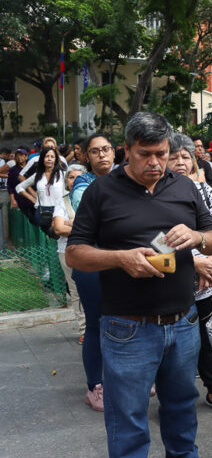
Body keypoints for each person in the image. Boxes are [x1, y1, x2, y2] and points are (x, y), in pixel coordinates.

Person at [67, 112, 212, 457]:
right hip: (127, 327)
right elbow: (75, 254)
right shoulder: (101, 191)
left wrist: (197, 236)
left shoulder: (185, 186)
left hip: (183, 323)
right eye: (144, 154)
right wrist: (121, 258)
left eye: (162, 153)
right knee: (128, 422)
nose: (155, 163)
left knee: (182, 412)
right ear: (127, 150)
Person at [167, 134, 212, 414]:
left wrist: (211, 263)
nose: (181, 161)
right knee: (174, 344)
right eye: (174, 156)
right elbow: (157, 240)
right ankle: (174, 398)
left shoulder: (205, 192)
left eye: (186, 156)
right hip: (174, 280)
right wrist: (195, 263)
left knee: (206, 338)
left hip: (208, 280)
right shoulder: (158, 195)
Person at [68, 134, 116, 411]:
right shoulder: (82, 185)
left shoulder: (125, 178)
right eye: (95, 151)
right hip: (92, 265)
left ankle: (126, 378)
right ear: (85, 156)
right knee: (97, 326)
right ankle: (94, 386)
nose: (102, 155)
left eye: (106, 149)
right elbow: (97, 219)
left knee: (126, 321)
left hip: (122, 263)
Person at [52, 164, 87, 342]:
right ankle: (84, 330)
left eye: (79, 177)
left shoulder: (93, 199)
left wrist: (70, 223)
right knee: (76, 292)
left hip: (93, 250)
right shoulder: (62, 201)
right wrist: (83, 228)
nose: (75, 180)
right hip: (67, 251)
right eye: (71, 177)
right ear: (66, 181)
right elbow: (58, 228)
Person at [15, 146, 65, 230]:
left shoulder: (62, 174)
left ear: (55, 159)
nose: (49, 159)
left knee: (57, 238)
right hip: (41, 212)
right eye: (46, 156)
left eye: (52, 157)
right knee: (42, 239)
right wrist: (31, 197)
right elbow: (19, 187)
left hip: (59, 211)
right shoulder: (37, 175)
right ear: (42, 159)